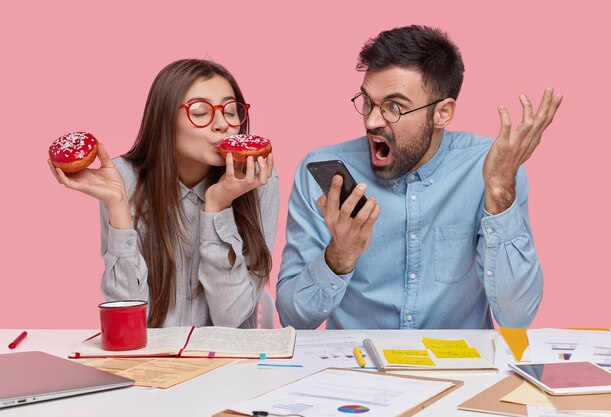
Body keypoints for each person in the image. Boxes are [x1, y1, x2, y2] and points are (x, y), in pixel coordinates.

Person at [276, 25, 562, 330]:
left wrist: (500, 188)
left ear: (442, 113)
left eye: (394, 107)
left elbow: (516, 315)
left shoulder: (491, 168)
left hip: (463, 370)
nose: (372, 121)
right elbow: (293, 319)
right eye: (368, 102)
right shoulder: (324, 172)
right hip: (358, 368)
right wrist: (339, 257)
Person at [49, 59, 278, 328]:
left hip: (228, 361)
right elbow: (127, 323)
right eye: (201, 111)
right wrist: (118, 208)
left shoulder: (257, 179)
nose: (222, 124)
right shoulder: (123, 179)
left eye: (231, 110)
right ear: (165, 119)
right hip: (153, 363)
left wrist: (218, 207)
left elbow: (231, 318)